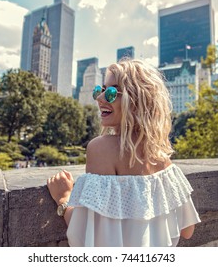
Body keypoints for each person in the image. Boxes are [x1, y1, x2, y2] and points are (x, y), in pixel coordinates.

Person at [47, 59, 200, 247]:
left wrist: (63, 199)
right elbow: (187, 230)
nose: (100, 98)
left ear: (136, 101)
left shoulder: (100, 149)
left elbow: (87, 238)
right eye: (100, 90)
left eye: (111, 93)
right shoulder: (162, 158)